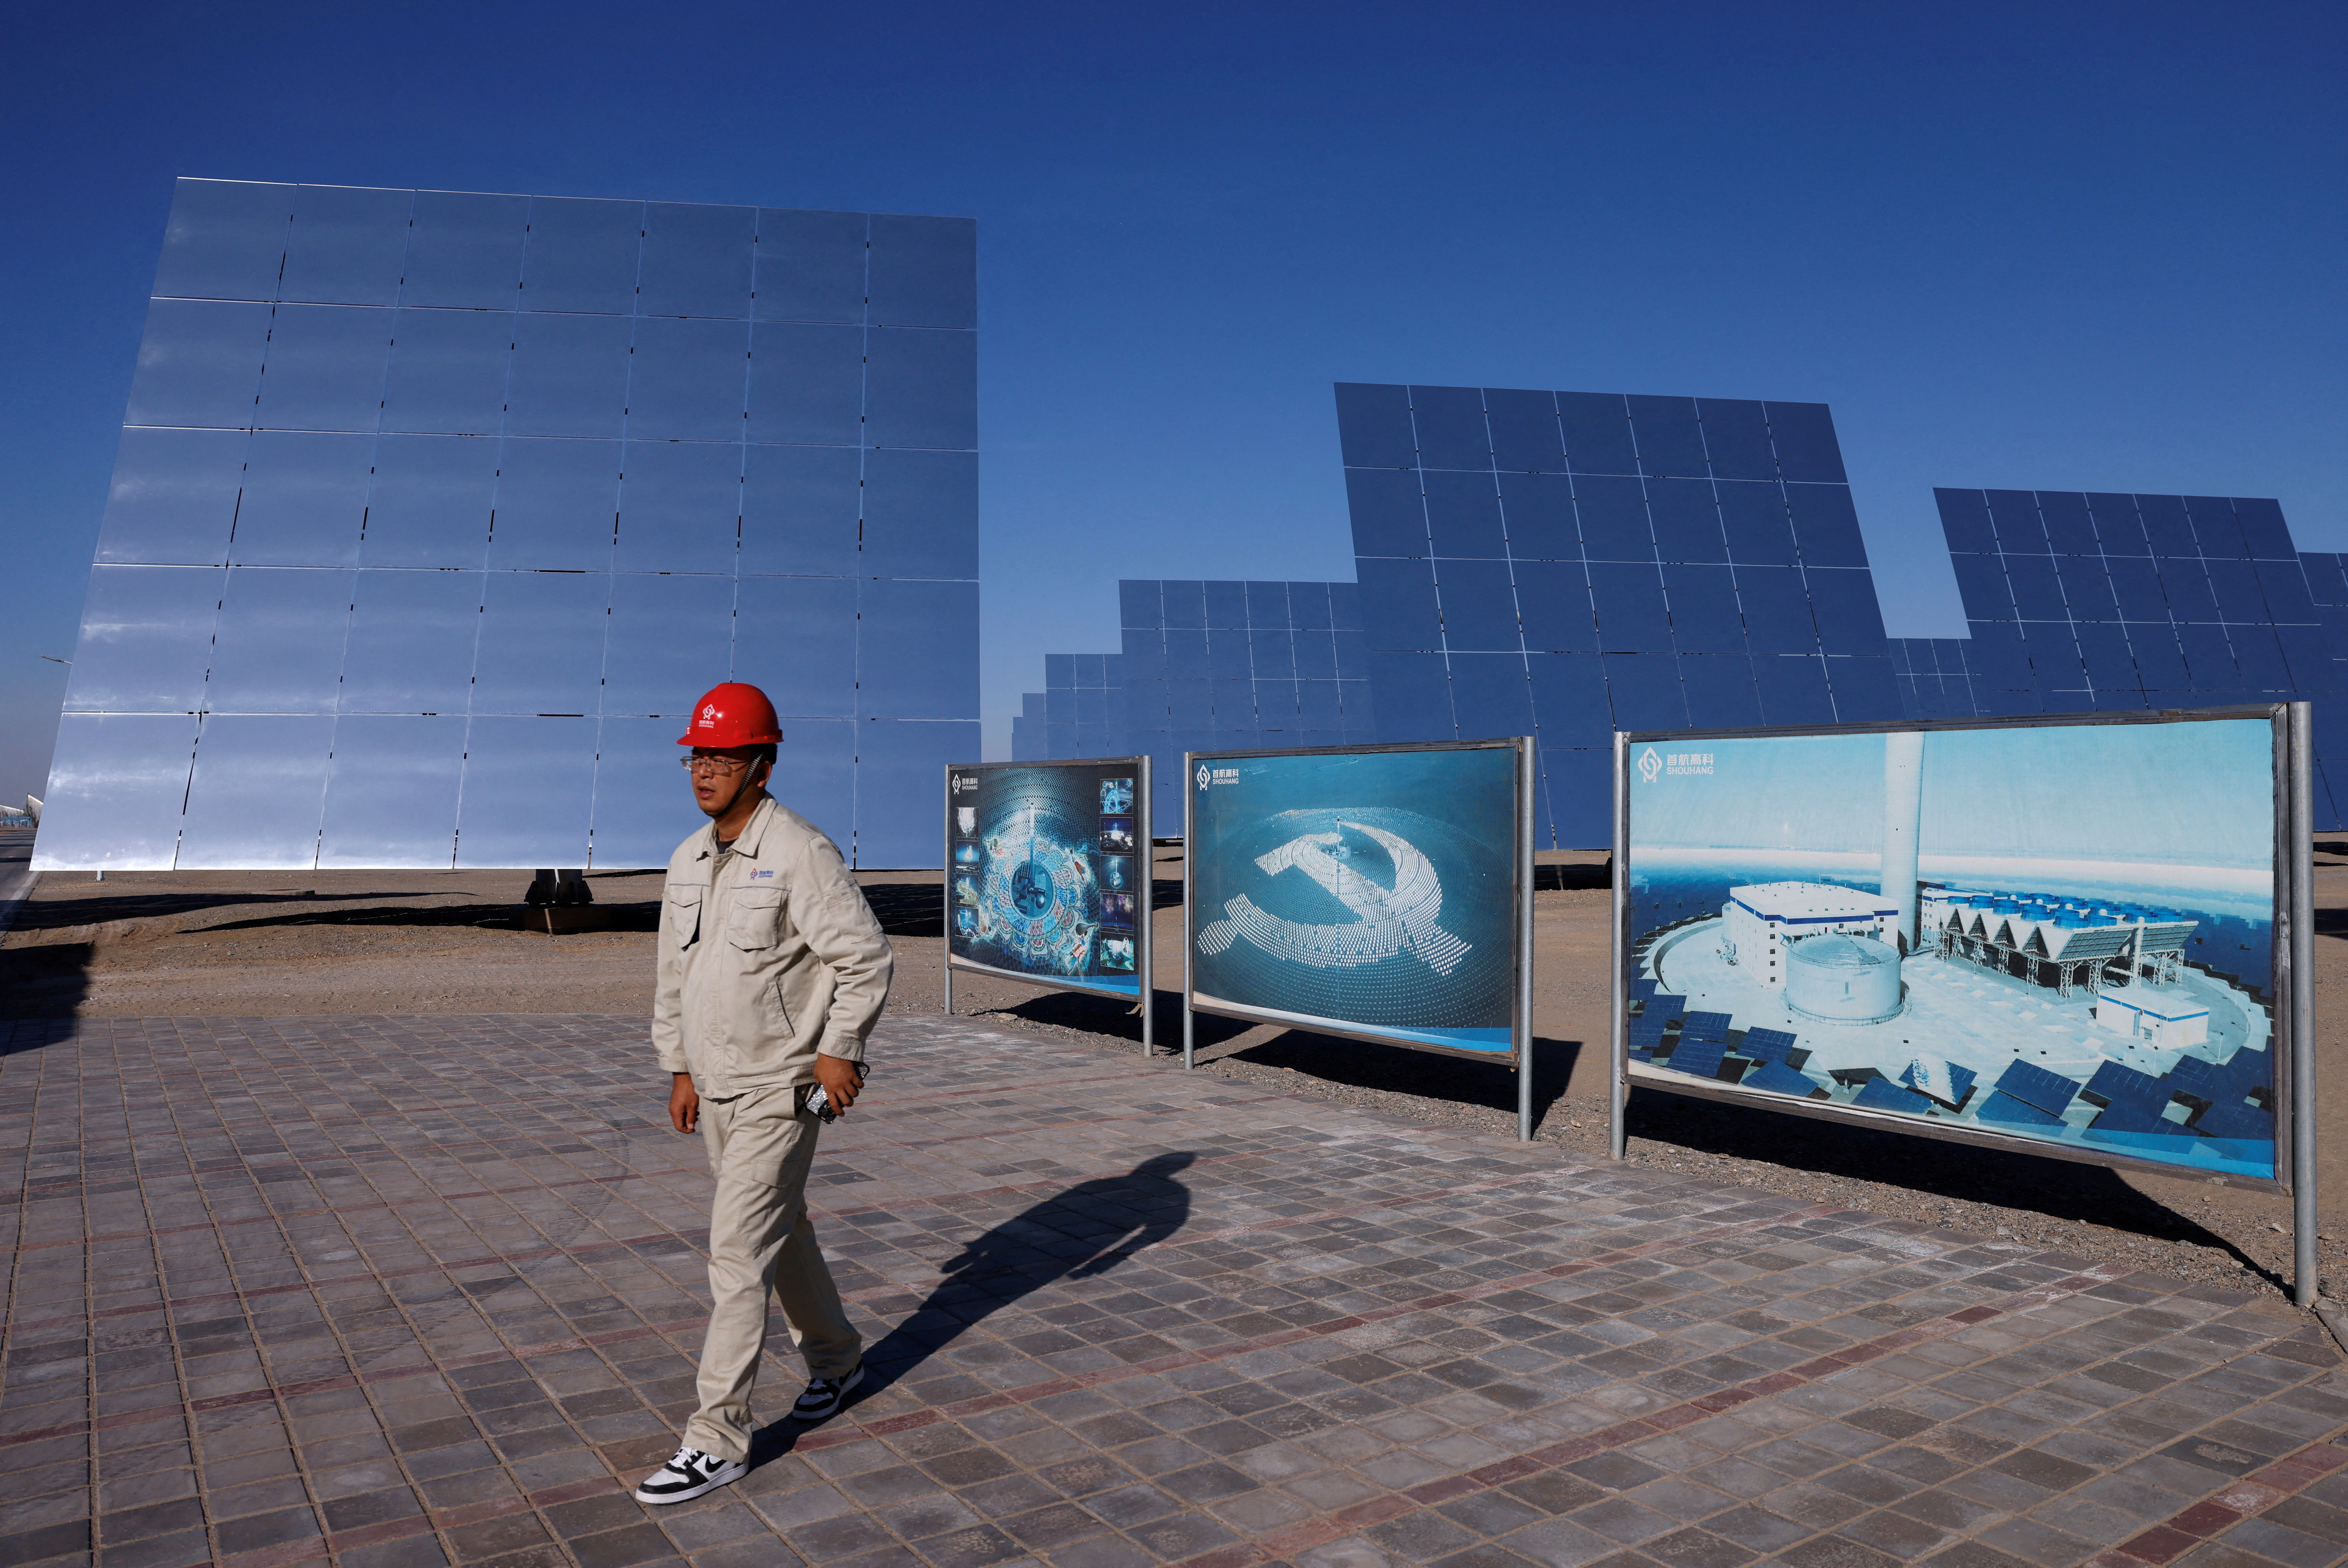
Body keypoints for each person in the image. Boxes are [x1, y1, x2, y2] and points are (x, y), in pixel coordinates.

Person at [632, 682, 894, 1505]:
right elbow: (675, 973)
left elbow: (865, 959)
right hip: (714, 1088)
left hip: (779, 1089)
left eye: (723, 756)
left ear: (763, 761)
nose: (704, 771)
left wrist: (837, 1050)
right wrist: (678, 1066)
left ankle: (717, 1439)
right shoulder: (687, 858)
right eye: (697, 755)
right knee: (783, 1230)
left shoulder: (800, 852)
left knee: (737, 1257)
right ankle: (838, 1360)